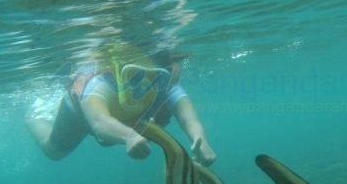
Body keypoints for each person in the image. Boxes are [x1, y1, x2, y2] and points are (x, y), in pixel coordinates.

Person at [25, 44, 216, 165]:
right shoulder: (100, 84)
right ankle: (37, 115)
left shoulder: (165, 84)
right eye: (137, 75)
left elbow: (188, 118)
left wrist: (200, 139)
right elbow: (99, 122)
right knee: (54, 152)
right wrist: (129, 136)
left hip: (119, 116)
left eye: (153, 75)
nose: (145, 82)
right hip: (80, 113)